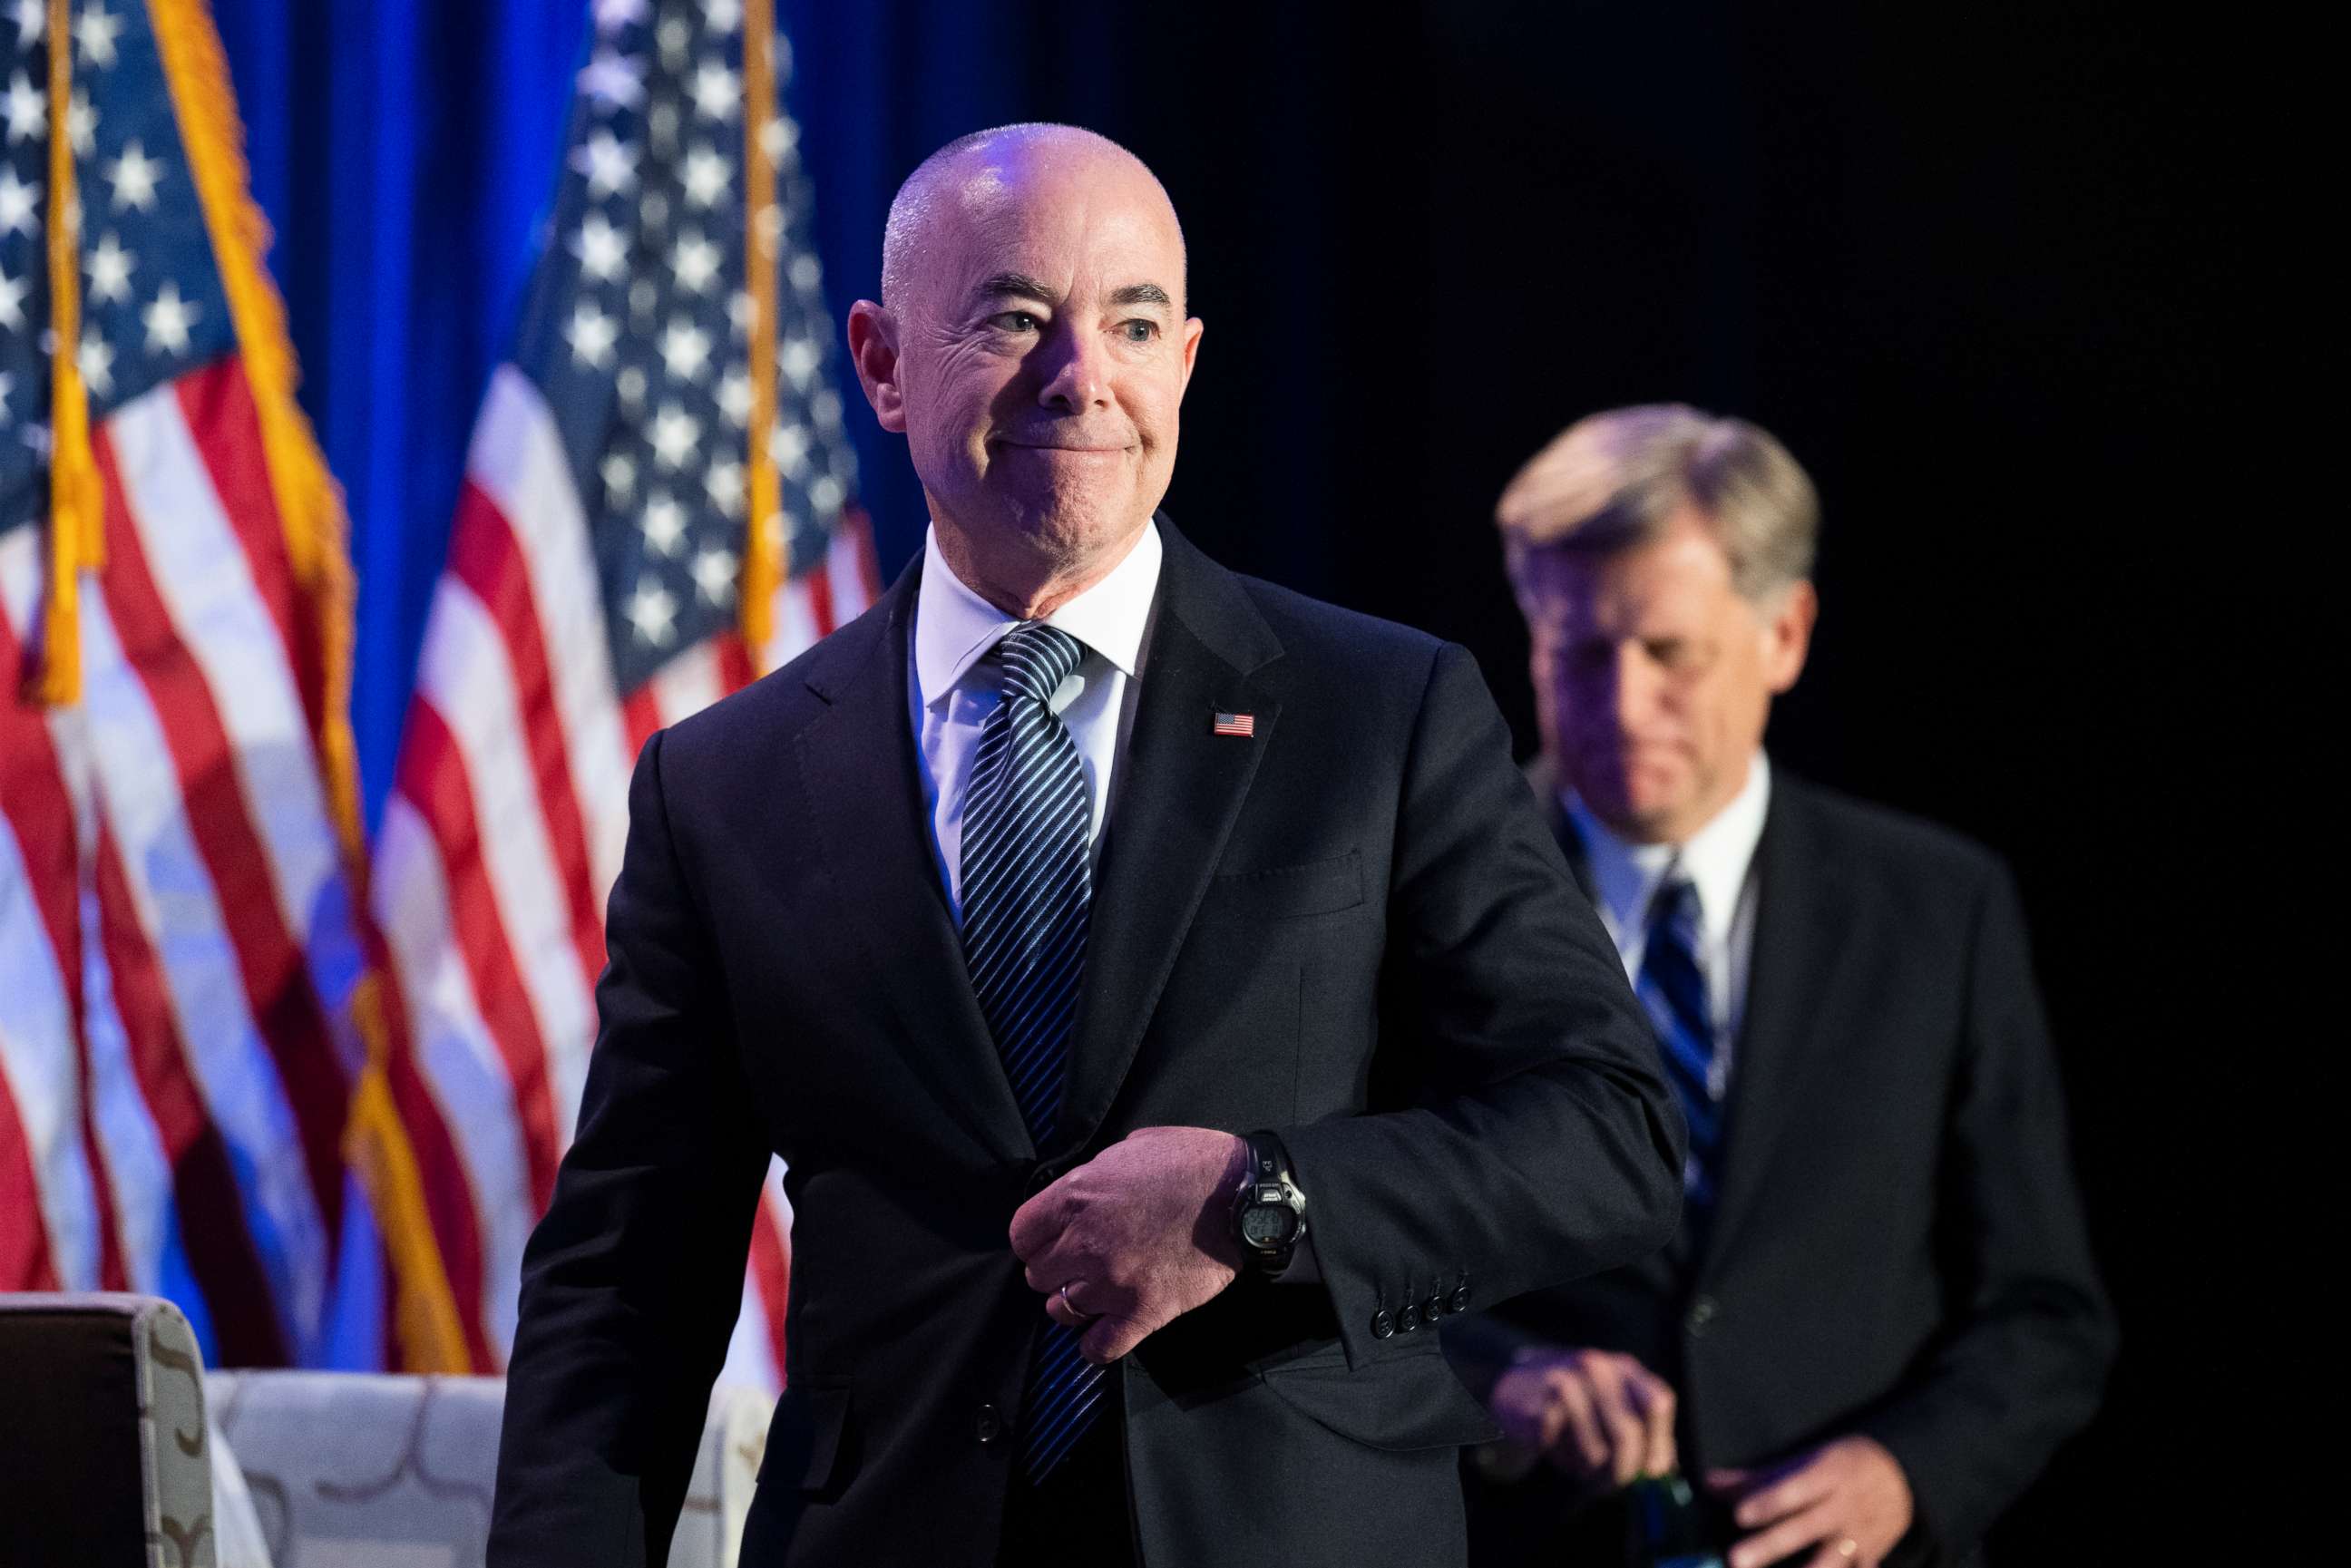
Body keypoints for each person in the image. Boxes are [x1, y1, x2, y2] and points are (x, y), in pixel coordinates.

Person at [485, 124, 1683, 1568]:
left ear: (1183, 361)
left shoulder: (1383, 710)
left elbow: (1606, 1133)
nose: (1082, 377)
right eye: (1011, 318)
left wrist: (1262, 1200)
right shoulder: (721, 782)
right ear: (879, 362)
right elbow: (625, 1290)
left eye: (1129, 324)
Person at [1444, 405, 2114, 1568]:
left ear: (1787, 633)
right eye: (1578, 654)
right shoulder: (1424, 897)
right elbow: (1331, 1271)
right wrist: (1505, 1382)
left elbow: (2044, 1313)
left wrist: (1908, 1471)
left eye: (1671, 652)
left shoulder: (1938, 910)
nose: (1622, 705)